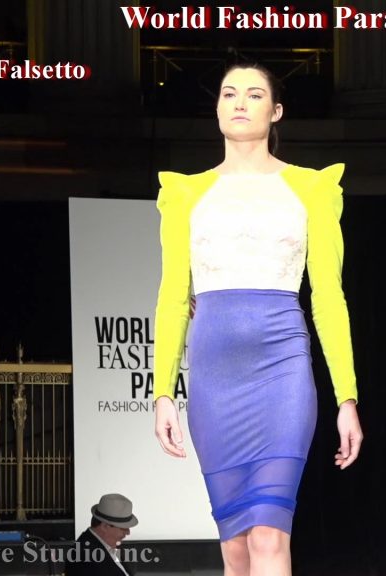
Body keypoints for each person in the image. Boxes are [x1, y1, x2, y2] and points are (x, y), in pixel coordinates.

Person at [152, 62, 364, 576]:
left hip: (282, 373)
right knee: (235, 549)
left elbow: (329, 297)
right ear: (216, 109)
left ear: (276, 111)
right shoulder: (184, 194)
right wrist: (162, 392)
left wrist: (346, 398)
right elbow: (173, 296)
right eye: (228, 94)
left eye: (253, 94)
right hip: (215, 379)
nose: (239, 103)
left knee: (270, 535)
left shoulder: (312, 189)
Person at [65, 493, 137, 576]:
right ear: (105, 527)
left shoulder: (107, 547)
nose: (128, 532)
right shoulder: (84, 557)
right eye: (123, 528)